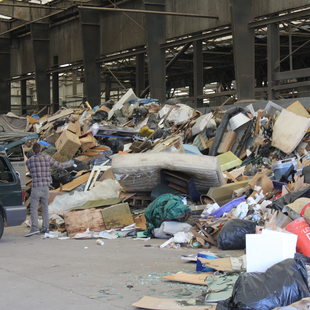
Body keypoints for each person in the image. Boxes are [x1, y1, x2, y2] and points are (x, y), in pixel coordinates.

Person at [25, 143, 74, 237]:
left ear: (33, 150)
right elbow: (59, 166)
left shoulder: (29, 161)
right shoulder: (47, 158)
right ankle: (46, 228)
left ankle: (34, 228)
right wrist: (70, 163)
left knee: (34, 209)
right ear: (41, 149)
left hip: (36, 187)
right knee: (45, 208)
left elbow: (31, 173)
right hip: (45, 187)